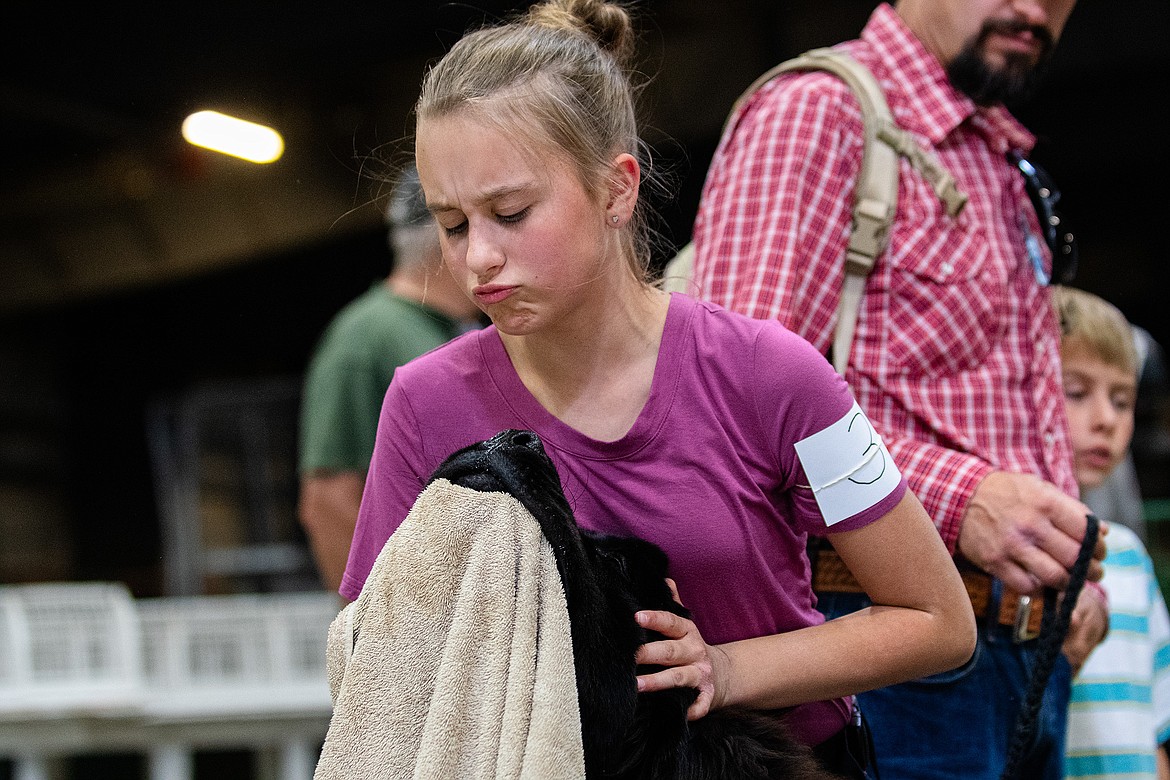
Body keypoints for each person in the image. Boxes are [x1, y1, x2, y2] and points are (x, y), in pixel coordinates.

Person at [341, 1, 976, 775]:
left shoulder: (775, 374)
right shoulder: (422, 402)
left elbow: (938, 619)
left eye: (511, 212)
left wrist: (729, 669)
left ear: (617, 190)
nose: (477, 258)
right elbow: (378, 667)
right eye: (452, 222)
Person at [690, 1, 1108, 777]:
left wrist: (1063, 589)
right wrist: (963, 498)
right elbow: (733, 406)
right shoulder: (817, 112)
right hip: (886, 653)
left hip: (1025, 660)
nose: (1032, 9)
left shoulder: (995, 152)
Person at [297, 163, 482, 592]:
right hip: (419, 633)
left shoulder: (464, 330)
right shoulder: (366, 339)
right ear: (445, 229)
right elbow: (328, 502)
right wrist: (376, 636)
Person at [1055, 285, 1170, 780]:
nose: (1106, 420)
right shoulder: (1009, 556)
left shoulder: (1128, 556)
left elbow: (1154, 727)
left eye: (1122, 401)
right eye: (1076, 393)